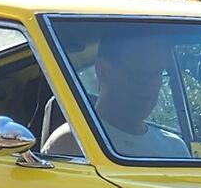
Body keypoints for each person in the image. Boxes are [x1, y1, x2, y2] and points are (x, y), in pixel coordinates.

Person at [42, 31, 190, 158]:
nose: (149, 86)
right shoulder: (73, 142)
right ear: (103, 71)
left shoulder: (175, 148)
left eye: (157, 74)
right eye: (139, 74)